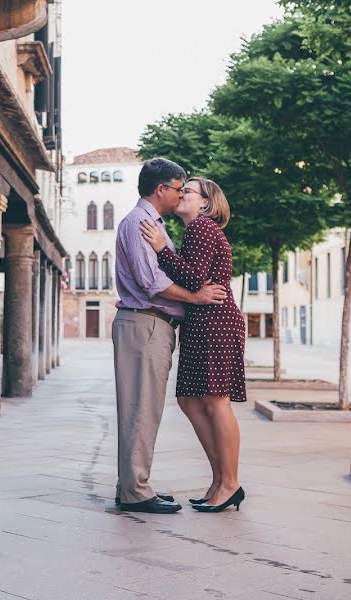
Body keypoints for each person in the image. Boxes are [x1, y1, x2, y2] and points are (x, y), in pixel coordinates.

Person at [113, 158, 227, 514]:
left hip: (150, 325)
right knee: (141, 410)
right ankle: (136, 491)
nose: (180, 196)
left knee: (141, 409)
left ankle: (131, 485)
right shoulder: (140, 223)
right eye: (179, 188)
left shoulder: (157, 226)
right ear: (161, 189)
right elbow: (152, 282)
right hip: (145, 323)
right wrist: (195, 297)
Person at [140, 176, 247, 513]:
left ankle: (230, 483)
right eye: (181, 189)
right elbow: (195, 278)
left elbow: (194, 278)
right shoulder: (196, 231)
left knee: (217, 402)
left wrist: (160, 249)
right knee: (188, 399)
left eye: (189, 190)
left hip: (215, 321)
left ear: (206, 202)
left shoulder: (202, 227)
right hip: (202, 322)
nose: (182, 193)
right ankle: (220, 479)